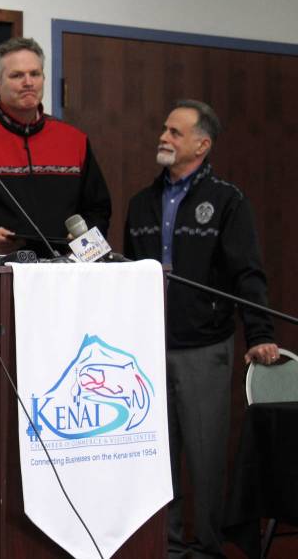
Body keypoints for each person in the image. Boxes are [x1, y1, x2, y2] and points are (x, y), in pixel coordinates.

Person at [123, 100, 279, 558]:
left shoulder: (228, 201)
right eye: (164, 129)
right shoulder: (141, 203)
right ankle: (167, 547)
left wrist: (261, 332)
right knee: (157, 455)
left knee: (207, 454)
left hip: (204, 345)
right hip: (148, 348)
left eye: (175, 132)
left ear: (201, 144)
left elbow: (247, 272)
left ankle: (208, 547)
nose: (163, 137)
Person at [0, 36, 111, 258]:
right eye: (17, 75)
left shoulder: (75, 139)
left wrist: (84, 247)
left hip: (66, 275)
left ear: (44, 79)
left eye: (35, 74)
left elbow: (99, 210)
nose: (28, 82)